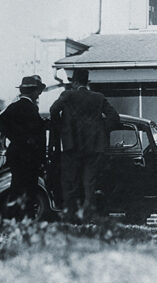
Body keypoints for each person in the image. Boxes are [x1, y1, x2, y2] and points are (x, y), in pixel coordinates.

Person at [50, 68, 120, 222]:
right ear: (87, 82)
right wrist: (100, 130)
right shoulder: (98, 97)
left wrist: (61, 128)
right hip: (94, 146)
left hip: (71, 146)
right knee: (90, 183)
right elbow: (114, 118)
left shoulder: (67, 95)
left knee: (71, 183)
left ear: (74, 82)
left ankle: (71, 217)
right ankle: (88, 217)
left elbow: (53, 110)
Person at [0, 75, 47, 219]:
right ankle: (26, 219)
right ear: (33, 91)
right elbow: (37, 134)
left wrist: (15, 138)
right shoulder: (31, 109)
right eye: (38, 91)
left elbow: (2, 123)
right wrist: (27, 140)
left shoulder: (12, 107)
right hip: (29, 156)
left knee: (16, 187)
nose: (38, 94)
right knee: (30, 189)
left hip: (15, 154)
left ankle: (12, 218)